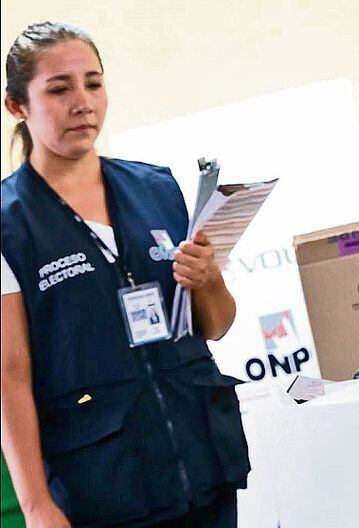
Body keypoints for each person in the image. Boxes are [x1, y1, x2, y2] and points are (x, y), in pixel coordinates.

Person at [0, 22, 249, 527]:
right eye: (59, 89)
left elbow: (217, 325)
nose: (83, 103)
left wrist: (208, 280)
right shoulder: (9, 223)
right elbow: (10, 375)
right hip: (105, 485)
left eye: (93, 83)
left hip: (205, 463)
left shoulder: (156, 188)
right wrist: (37, 506)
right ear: (17, 106)